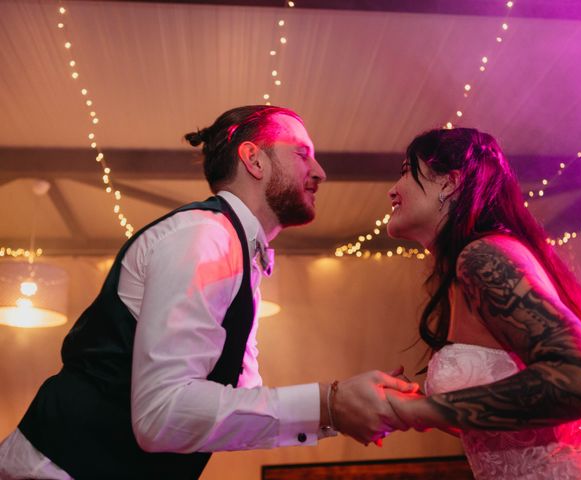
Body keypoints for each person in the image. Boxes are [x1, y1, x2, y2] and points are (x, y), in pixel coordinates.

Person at [0, 105, 416, 480]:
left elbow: (241, 403)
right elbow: (161, 415)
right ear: (253, 159)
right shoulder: (203, 236)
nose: (321, 171)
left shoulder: (238, 250)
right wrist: (330, 403)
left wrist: (342, 410)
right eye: (302, 153)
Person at [382, 127, 581, 479]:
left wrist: (419, 411)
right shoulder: (465, 271)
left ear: (450, 183)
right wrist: (410, 404)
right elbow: (517, 420)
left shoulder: (481, 257)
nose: (392, 190)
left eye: (404, 172)